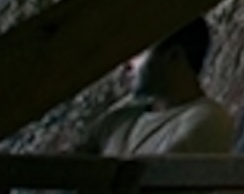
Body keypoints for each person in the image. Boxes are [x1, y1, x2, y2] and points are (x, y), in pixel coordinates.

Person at [89, 17, 236, 163]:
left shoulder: (208, 121)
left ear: (174, 56)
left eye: (139, 53)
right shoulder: (122, 115)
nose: (127, 64)